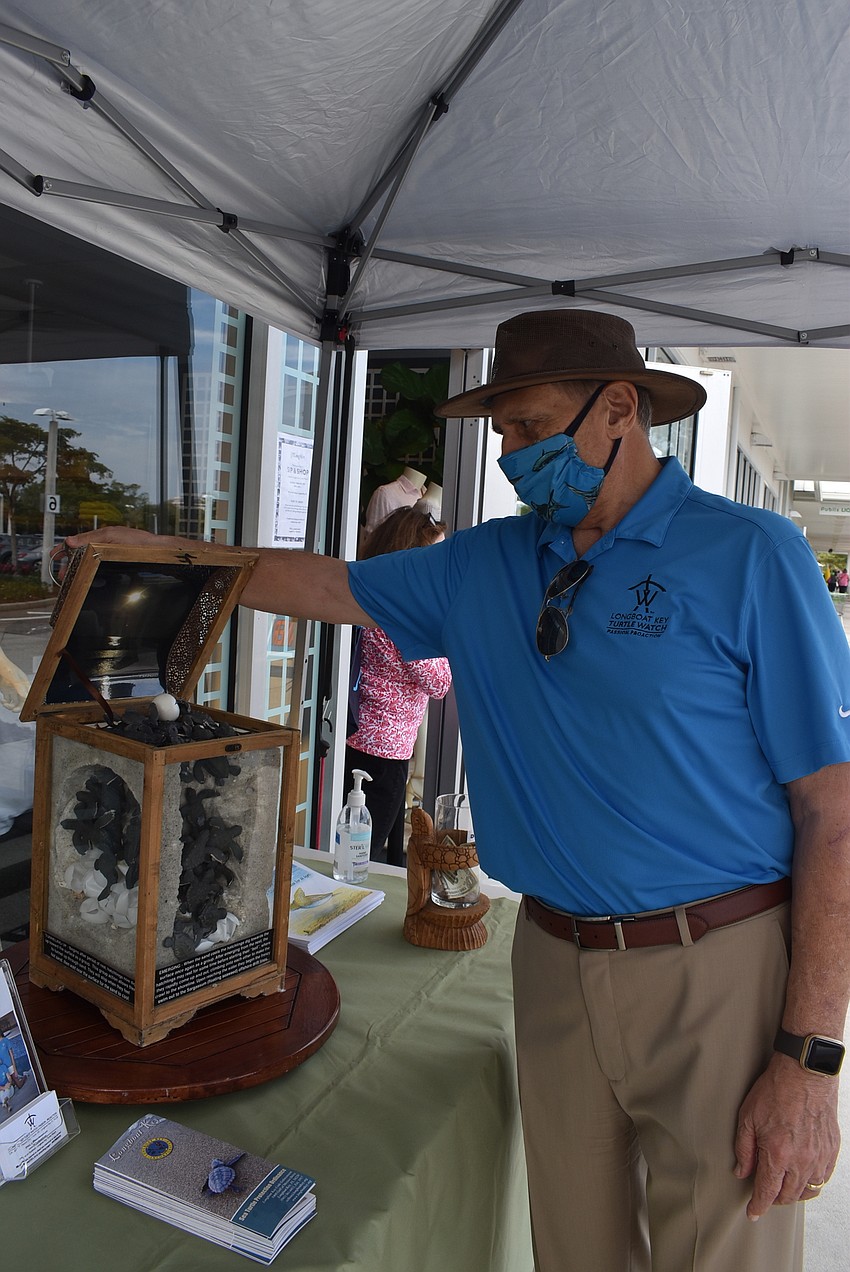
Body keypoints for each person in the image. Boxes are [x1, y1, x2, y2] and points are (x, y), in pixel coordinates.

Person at [68, 309, 850, 1272]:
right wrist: (164, 558)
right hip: (551, 957)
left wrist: (809, 1059)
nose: (512, 454)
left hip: (717, 968)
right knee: (573, 1248)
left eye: (527, 427)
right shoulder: (486, 563)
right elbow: (328, 586)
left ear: (619, 409)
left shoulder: (750, 555)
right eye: (502, 432)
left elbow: (834, 814)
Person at [346, 507, 452, 865]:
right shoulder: (404, 613)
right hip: (382, 746)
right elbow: (439, 682)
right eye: (435, 554)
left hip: (366, 733)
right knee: (367, 850)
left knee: (378, 844)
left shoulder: (375, 597)